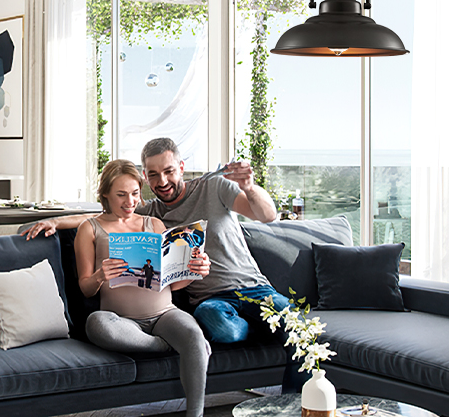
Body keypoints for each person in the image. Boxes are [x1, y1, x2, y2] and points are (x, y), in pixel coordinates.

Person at [25, 138, 304, 390]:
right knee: (220, 327)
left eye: (169, 171)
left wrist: (249, 187)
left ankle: (293, 403)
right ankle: (259, 326)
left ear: (181, 167)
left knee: (299, 329)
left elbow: (267, 216)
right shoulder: (150, 214)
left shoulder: (214, 187)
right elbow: (102, 217)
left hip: (252, 287)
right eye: (154, 175)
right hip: (208, 300)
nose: (163, 181)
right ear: (146, 177)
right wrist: (55, 221)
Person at [75, 159, 220, 417]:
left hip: (165, 313)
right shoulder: (89, 230)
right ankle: (176, 346)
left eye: (134, 193)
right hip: (122, 322)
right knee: (96, 323)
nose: (130, 202)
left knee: (191, 333)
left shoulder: (154, 225)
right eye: (121, 195)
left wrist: (195, 271)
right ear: (105, 194)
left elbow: (171, 283)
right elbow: (86, 288)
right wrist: (102, 274)